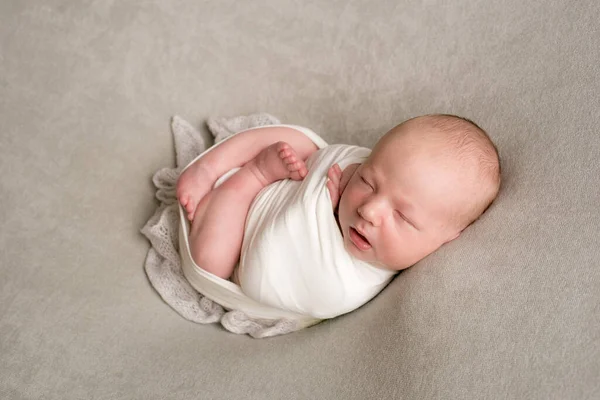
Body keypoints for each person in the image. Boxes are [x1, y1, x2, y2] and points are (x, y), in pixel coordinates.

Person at [176, 114, 501, 282]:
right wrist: (334, 196)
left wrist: (324, 219)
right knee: (303, 141)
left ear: (448, 237)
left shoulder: (348, 280)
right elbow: (339, 165)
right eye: (369, 181)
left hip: (245, 233)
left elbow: (294, 268)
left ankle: (252, 176)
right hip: (290, 182)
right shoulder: (368, 195)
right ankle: (210, 167)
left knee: (211, 263)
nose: (369, 209)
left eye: (402, 216)